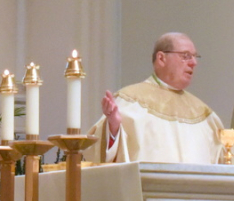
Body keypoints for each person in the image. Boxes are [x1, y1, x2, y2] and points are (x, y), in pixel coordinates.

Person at [91, 32, 224, 164]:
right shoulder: (129, 101)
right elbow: (96, 154)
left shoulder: (203, 112)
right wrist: (113, 128)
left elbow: (225, 159)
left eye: (195, 57)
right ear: (161, 58)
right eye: (186, 56)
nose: (193, 63)